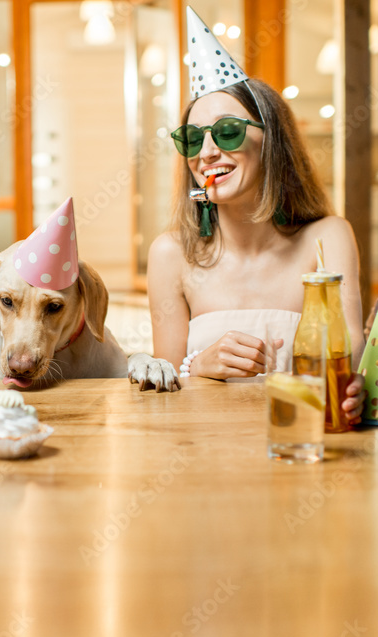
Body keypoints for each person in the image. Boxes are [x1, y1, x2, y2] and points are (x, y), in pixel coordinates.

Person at [148, 8, 364, 422]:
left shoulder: (328, 238)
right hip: (209, 460)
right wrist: (198, 368)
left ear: (272, 141)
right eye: (193, 140)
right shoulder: (170, 254)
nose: (207, 153)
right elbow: (165, 395)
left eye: (227, 131)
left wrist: (356, 392)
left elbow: (348, 363)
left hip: (303, 450)